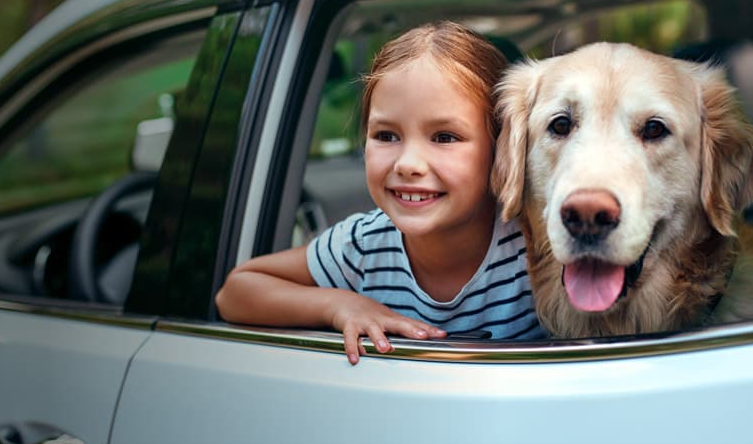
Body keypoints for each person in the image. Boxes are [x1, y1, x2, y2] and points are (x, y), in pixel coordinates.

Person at [215, 21, 545, 364]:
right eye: (387, 135)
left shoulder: (532, 243)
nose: (408, 164)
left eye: (444, 137)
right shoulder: (363, 244)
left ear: (501, 149)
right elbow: (236, 291)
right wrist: (339, 305)